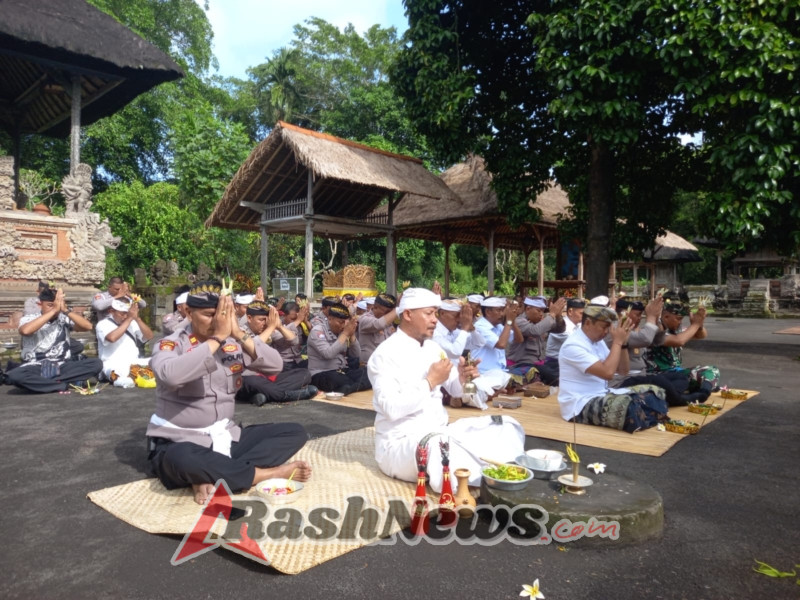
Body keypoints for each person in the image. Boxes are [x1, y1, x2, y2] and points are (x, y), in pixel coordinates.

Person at [147, 281, 311, 506]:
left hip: (225, 436)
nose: (217, 321)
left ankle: (207, 474)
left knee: (294, 432)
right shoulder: (171, 344)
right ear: (187, 312)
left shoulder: (232, 342)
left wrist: (237, 333)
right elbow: (170, 376)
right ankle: (264, 475)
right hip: (182, 440)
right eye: (209, 315)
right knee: (182, 459)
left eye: (222, 315)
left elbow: (275, 366)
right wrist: (216, 339)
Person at [367, 288, 525, 493]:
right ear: (407, 314)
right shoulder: (384, 355)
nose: (435, 320)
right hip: (401, 444)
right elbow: (391, 409)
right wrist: (430, 382)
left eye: (435, 313)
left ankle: (484, 470)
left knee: (504, 425)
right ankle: (474, 479)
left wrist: (462, 376)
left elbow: (457, 391)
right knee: (438, 448)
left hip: (442, 431)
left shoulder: (433, 349)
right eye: (429, 313)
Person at [558, 304, 668, 432]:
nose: (606, 332)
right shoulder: (573, 345)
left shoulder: (598, 342)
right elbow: (608, 373)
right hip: (578, 404)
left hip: (603, 393)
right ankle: (646, 417)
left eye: (609, 327)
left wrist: (624, 344)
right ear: (588, 323)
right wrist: (617, 342)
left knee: (655, 392)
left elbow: (623, 370)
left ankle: (643, 418)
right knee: (627, 406)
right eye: (604, 327)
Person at [8, 287, 103, 393]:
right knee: (15, 376)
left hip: (61, 366)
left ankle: (44, 383)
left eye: (57, 305)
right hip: (36, 365)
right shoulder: (29, 318)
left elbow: (88, 327)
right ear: (40, 304)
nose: (56, 309)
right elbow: (25, 331)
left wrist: (66, 310)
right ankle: (61, 385)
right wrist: (53, 311)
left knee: (96, 364)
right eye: (50, 305)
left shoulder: (63, 318)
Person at [235, 300, 317, 404]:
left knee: (304, 373)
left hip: (267, 376)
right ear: (249, 318)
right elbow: (255, 346)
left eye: (267, 320)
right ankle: (284, 395)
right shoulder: (240, 331)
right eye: (261, 320)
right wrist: (270, 328)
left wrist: (279, 326)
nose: (264, 323)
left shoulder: (267, 329)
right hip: (248, 377)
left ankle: (263, 395)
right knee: (252, 381)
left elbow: (293, 341)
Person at [644, 294, 719, 395]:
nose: (680, 322)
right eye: (678, 319)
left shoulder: (673, 330)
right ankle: (703, 392)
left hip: (676, 374)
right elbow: (679, 341)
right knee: (710, 372)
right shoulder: (655, 330)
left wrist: (699, 325)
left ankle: (702, 388)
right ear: (666, 317)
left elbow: (701, 335)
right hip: (659, 375)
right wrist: (695, 324)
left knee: (711, 371)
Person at [307, 302, 371, 394]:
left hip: (341, 370)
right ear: (330, 319)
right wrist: (345, 334)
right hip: (322, 373)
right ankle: (351, 386)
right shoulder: (318, 331)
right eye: (340, 322)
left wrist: (352, 335)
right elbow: (328, 354)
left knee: (369, 373)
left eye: (346, 322)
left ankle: (349, 388)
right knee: (339, 380)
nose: (343, 325)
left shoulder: (342, 331)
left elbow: (356, 355)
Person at [506, 296, 567, 384]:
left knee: (562, 367)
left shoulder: (541, 322)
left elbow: (560, 329)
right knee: (554, 376)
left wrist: (557, 316)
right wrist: (552, 314)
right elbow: (535, 331)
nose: (541, 314)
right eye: (539, 310)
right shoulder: (518, 321)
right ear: (528, 309)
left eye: (543, 311)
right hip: (522, 364)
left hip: (539, 364)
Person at [96, 297, 154, 387]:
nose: (125, 317)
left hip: (134, 362)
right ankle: (134, 377)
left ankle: (136, 376)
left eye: (127, 314)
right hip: (113, 364)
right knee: (120, 373)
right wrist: (129, 319)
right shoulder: (103, 324)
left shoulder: (132, 322)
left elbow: (149, 336)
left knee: (157, 362)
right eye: (122, 314)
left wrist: (137, 319)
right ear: (111, 311)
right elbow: (112, 338)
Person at [471, 296, 522, 393]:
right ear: (488, 312)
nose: (502, 314)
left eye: (503, 310)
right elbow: (501, 344)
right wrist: (509, 321)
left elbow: (519, 339)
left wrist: (513, 322)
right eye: (499, 310)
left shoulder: (498, 326)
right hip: (483, 373)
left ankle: (499, 390)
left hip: (498, 373)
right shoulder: (480, 327)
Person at [432, 299, 485, 366]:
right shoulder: (433, 331)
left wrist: (472, 329)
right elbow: (455, 352)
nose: (459, 320)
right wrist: (465, 328)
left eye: (461, 317)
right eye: (456, 316)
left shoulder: (455, 331)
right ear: (442, 313)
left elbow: (479, 344)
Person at [357, 293, 397, 364]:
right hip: (369, 365)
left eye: (391, 312)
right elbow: (379, 324)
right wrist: (398, 309)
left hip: (387, 363)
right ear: (375, 307)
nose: (389, 315)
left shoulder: (388, 322)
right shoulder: (365, 319)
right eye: (387, 312)